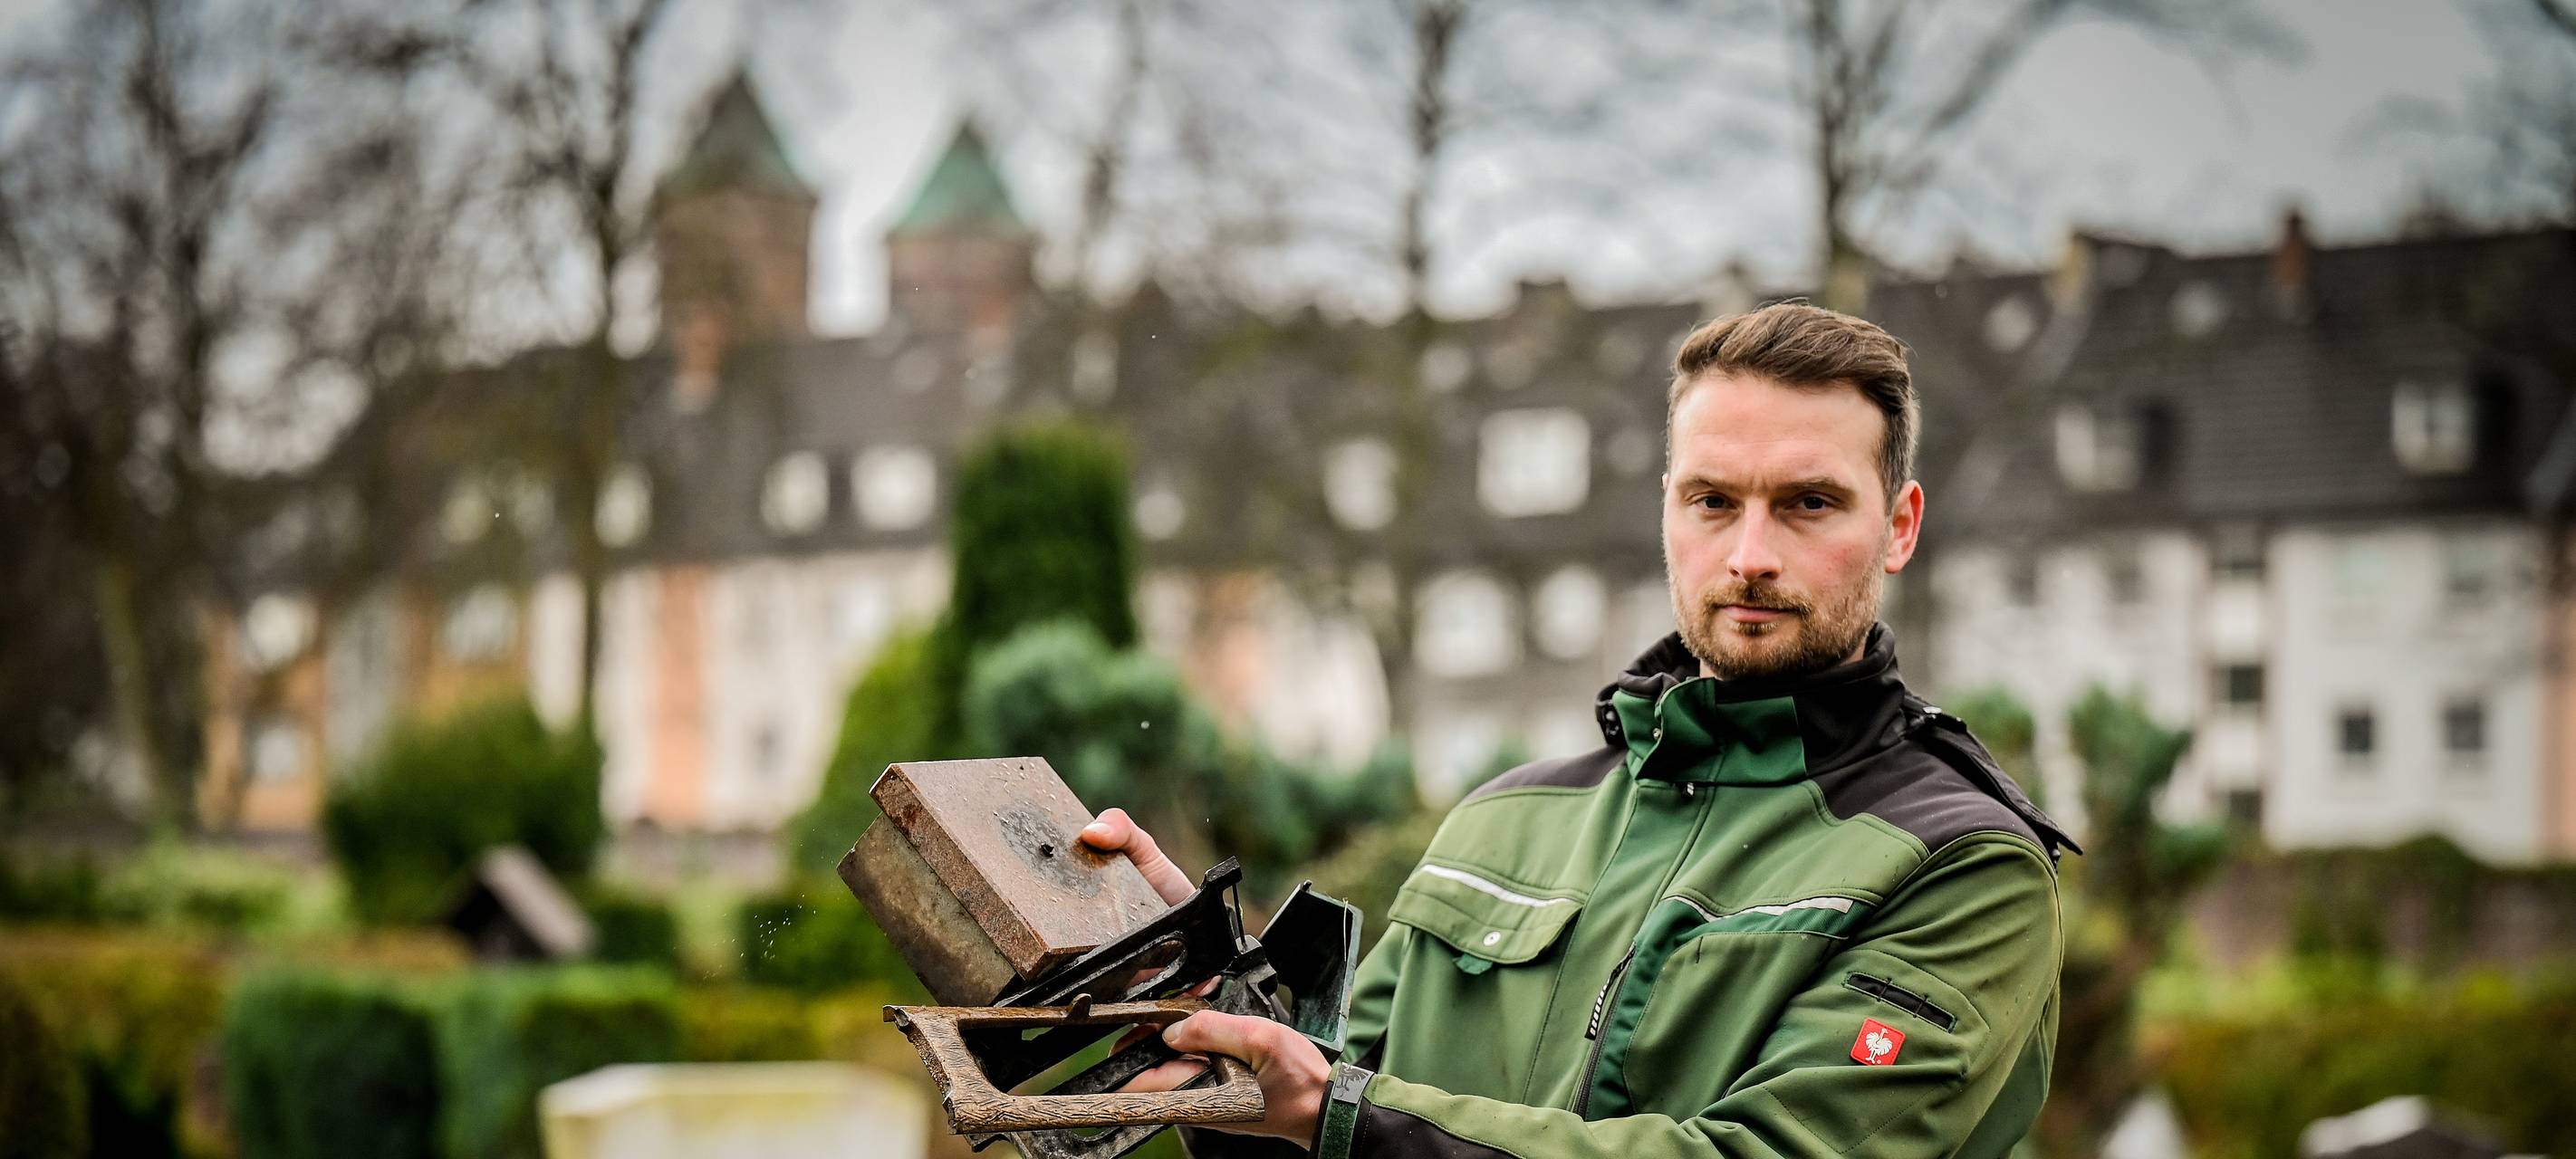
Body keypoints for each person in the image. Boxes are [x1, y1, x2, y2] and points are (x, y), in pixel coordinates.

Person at [1079, 302, 2076, 1158]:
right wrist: (1217, 996)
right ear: (1667, 511)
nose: (1752, 553)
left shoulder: (1964, 864)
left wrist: (1336, 1112)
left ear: (1899, 525)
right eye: (1713, 501)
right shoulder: (1505, 821)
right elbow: (1330, 1118)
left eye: (1809, 502)